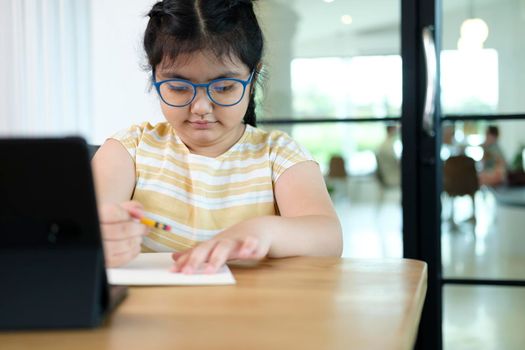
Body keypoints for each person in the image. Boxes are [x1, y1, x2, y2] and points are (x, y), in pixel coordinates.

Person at [92, 0, 342, 273]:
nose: (200, 108)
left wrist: (263, 231)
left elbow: (328, 237)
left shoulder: (278, 154)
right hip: (152, 312)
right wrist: (102, 237)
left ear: (253, 78)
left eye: (224, 87)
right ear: (155, 78)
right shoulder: (128, 149)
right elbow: (84, 230)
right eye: (178, 87)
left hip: (250, 310)